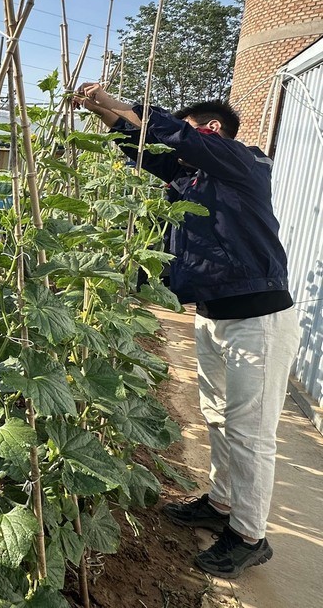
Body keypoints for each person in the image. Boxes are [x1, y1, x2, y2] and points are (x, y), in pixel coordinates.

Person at [75, 83, 298, 579]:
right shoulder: (195, 179)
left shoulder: (244, 162)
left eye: (189, 130)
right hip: (214, 314)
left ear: (212, 130)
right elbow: (151, 153)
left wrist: (119, 100)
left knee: (251, 434)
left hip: (258, 320)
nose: (180, 140)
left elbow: (177, 137)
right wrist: (102, 112)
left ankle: (249, 535)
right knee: (218, 417)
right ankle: (220, 503)